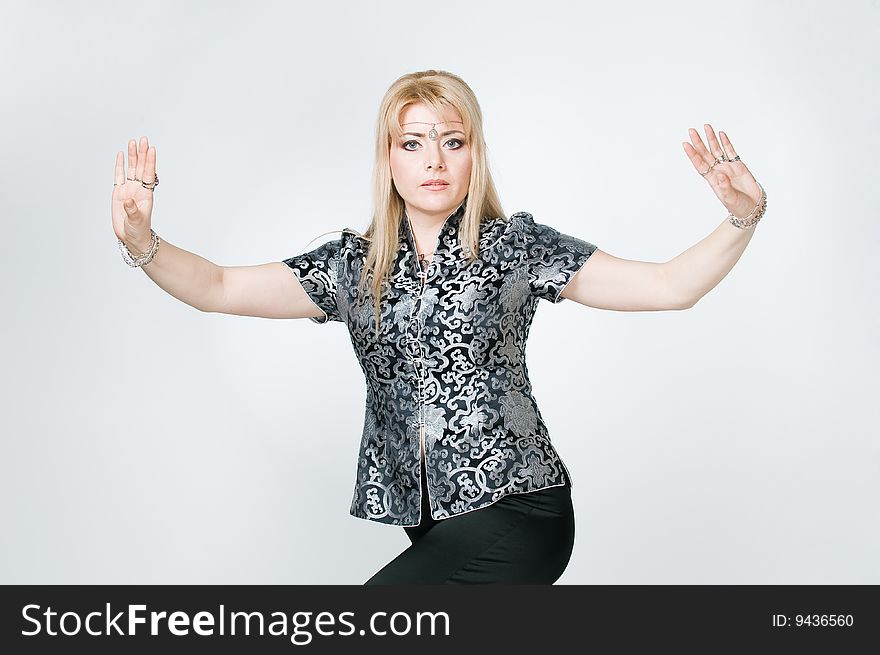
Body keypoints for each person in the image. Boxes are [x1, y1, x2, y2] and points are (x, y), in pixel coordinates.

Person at [111, 70, 766, 585]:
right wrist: (143, 240)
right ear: (388, 157)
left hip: (518, 509)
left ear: (473, 153)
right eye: (413, 142)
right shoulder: (353, 266)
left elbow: (668, 285)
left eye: (452, 141)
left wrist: (741, 219)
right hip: (428, 523)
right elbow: (217, 286)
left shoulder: (515, 247)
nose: (434, 160)